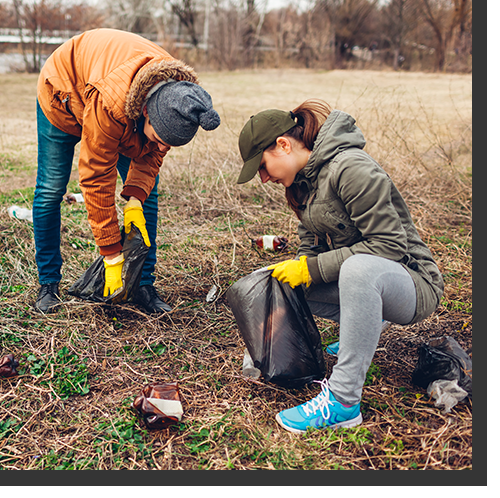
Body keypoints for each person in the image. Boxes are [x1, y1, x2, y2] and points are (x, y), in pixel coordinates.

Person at [237, 99, 444, 434]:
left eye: (262, 166)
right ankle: (362, 327)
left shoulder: (351, 168)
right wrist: (295, 273)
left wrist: (311, 269)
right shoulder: (304, 184)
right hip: (369, 280)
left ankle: (343, 402)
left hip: (412, 283)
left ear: (283, 145)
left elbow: (389, 246)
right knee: (281, 282)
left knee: (357, 270)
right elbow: (310, 250)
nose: (263, 179)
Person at [34, 28, 220, 314]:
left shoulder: (174, 100)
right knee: (50, 190)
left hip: (116, 104)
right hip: (63, 92)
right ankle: (48, 284)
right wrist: (110, 255)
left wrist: (134, 198)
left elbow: (153, 155)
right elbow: (97, 179)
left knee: (148, 194)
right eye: (159, 139)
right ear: (147, 112)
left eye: (166, 144)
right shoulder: (111, 102)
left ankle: (143, 285)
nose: (160, 147)